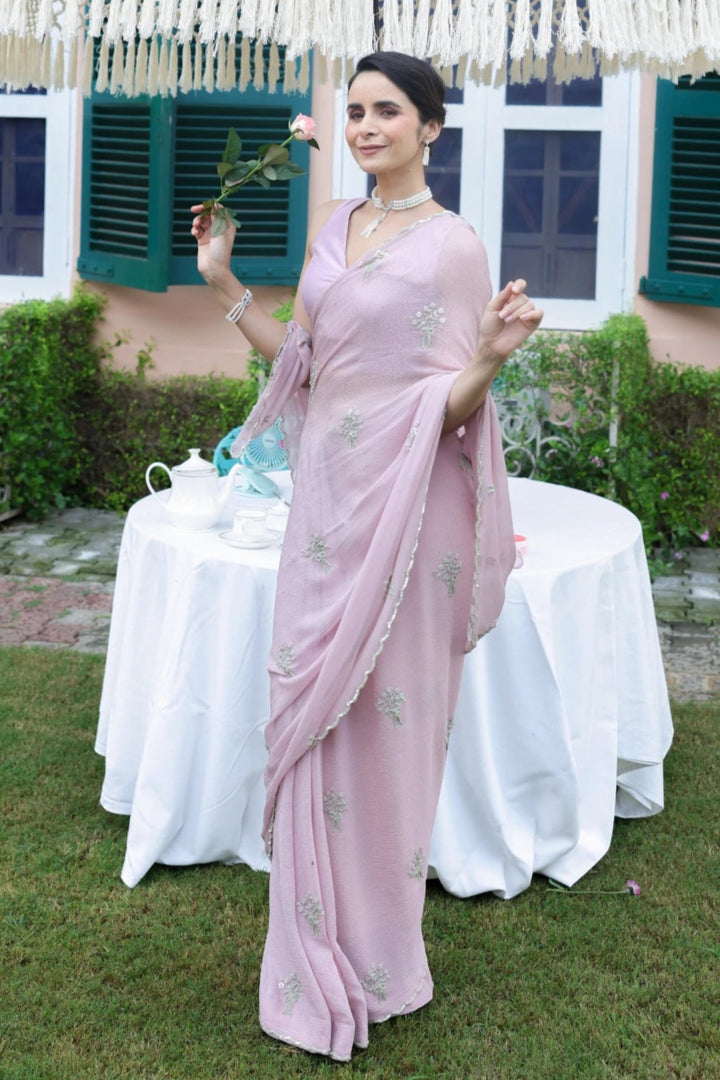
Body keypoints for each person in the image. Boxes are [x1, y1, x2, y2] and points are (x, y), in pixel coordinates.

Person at [191, 50, 543, 1061]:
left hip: (412, 510)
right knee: (312, 714)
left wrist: (485, 359)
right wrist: (222, 285)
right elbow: (300, 361)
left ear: (431, 127)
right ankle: (307, 943)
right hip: (326, 507)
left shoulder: (455, 247)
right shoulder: (333, 225)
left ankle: (384, 957)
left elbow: (455, 405)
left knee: (393, 725)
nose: (364, 126)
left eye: (387, 111)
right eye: (353, 112)